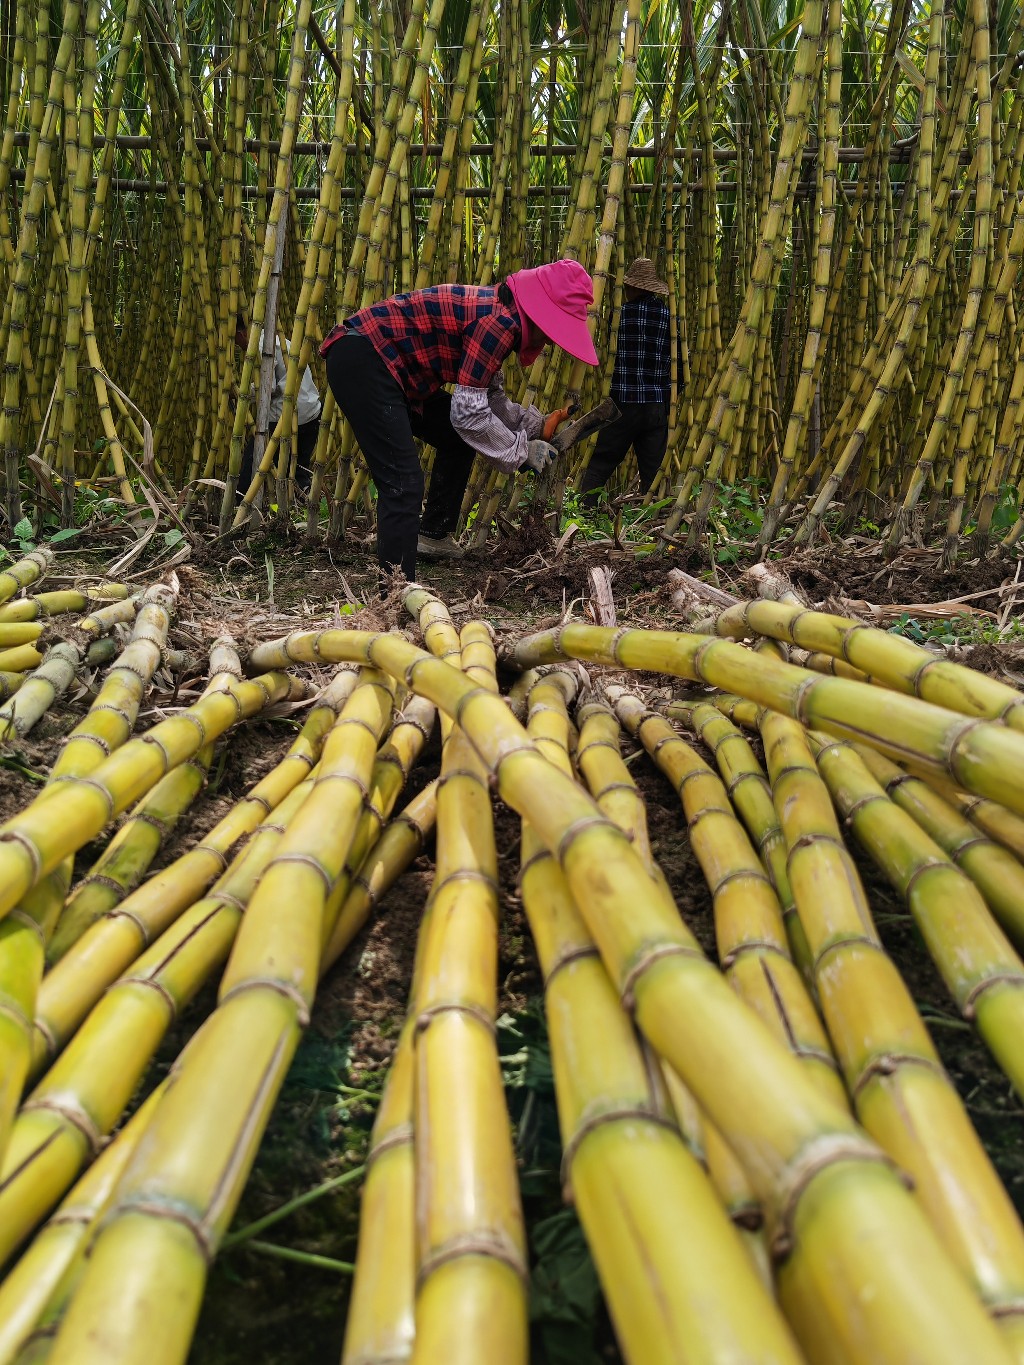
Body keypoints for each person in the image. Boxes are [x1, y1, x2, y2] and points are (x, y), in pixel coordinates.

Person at [319, 259, 599, 581]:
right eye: (552, 330)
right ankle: (396, 593)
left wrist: (535, 426)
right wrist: (521, 452)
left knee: (453, 439)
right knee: (403, 483)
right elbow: (468, 415)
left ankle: (433, 536)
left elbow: (489, 398)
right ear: (538, 315)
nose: (549, 340)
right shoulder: (498, 323)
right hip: (365, 360)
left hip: (389, 370)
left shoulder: (501, 312)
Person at [579, 258, 671, 507]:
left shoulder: (619, 315)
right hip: (655, 405)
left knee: (602, 461)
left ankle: (583, 512)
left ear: (634, 287)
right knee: (654, 471)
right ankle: (657, 521)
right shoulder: (667, 316)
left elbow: (609, 356)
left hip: (622, 403)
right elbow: (675, 363)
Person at [235, 317, 323, 495]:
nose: (236, 346)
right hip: (311, 412)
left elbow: (269, 388)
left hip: (287, 417)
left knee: (253, 462)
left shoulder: (261, 346)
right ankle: (308, 507)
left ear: (240, 333)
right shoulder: (277, 341)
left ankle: (239, 504)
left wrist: (239, 393)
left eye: (234, 340)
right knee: (298, 473)